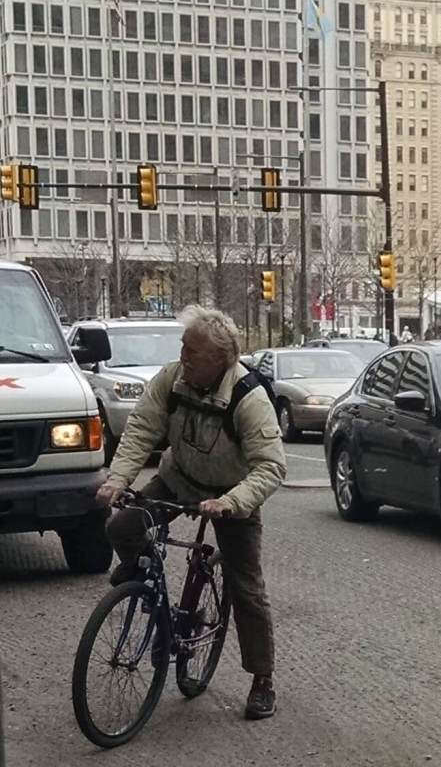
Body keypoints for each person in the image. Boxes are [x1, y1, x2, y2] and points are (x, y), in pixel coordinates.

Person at [96, 306, 285, 721]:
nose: (183, 356)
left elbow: (271, 466)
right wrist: (118, 480)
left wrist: (231, 502)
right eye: (183, 346)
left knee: (247, 587)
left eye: (192, 351)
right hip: (178, 479)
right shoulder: (171, 379)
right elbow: (142, 428)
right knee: (123, 526)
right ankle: (142, 578)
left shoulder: (248, 397)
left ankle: (263, 679)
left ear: (221, 360)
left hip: (231, 495)